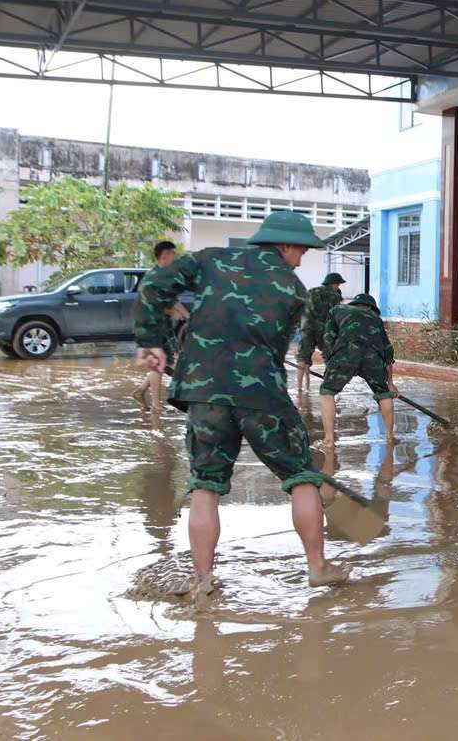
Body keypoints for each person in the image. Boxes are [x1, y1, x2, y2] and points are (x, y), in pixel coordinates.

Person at [135, 210, 349, 597]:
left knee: (205, 486)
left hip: (204, 393)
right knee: (301, 477)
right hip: (261, 393)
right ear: (284, 245)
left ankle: (202, 581)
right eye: (300, 250)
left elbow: (154, 286)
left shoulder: (209, 259)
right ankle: (317, 568)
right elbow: (275, 347)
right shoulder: (293, 289)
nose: (301, 259)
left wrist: (151, 339)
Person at [319, 292, 397, 447]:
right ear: (370, 307)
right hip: (373, 357)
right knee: (384, 395)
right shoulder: (376, 319)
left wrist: (331, 364)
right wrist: (390, 383)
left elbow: (328, 339)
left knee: (327, 392)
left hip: (345, 353)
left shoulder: (337, 310)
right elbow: (388, 351)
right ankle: (390, 436)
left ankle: (329, 440)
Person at [132, 240, 189, 414]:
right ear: (164, 256)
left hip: (161, 326)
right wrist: (181, 314)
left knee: (163, 365)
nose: (175, 258)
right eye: (173, 254)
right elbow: (162, 304)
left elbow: (172, 300)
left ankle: (140, 391)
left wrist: (186, 315)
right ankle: (156, 407)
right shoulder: (154, 279)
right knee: (157, 366)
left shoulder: (163, 276)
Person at [296, 272, 346, 392]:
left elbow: (303, 309)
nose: (338, 286)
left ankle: (300, 387)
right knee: (329, 357)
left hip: (306, 328)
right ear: (333, 284)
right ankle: (329, 387)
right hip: (324, 330)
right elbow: (337, 315)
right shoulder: (336, 296)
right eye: (338, 284)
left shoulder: (311, 291)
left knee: (303, 357)